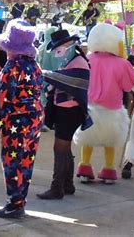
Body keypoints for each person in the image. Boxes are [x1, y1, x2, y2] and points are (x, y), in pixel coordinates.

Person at [0, 19, 43, 218]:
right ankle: (20, 200)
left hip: (16, 120)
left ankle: (14, 203)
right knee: (27, 160)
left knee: (11, 161)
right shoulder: (35, 66)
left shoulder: (11, 67)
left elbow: (2, 99)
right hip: (35, 118)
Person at [74, 21, 134, 184]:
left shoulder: (87, 59)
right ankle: (109, 168)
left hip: (89, 108)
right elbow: (128, 85)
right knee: (110, 142)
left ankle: (85, 167)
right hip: (112, 111)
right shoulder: (122, 64)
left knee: (87, 140)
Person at [36, 29, 90, 199]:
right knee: (64, 148)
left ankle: (57, 187)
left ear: (69, 45)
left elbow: (69, 81)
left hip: (70, 111)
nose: (57, 52)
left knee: (60, 148)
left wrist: (45, 75)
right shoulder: (72, 60)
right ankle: (67, 184)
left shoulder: (79, 63)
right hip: (65, 110)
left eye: (59, 48)